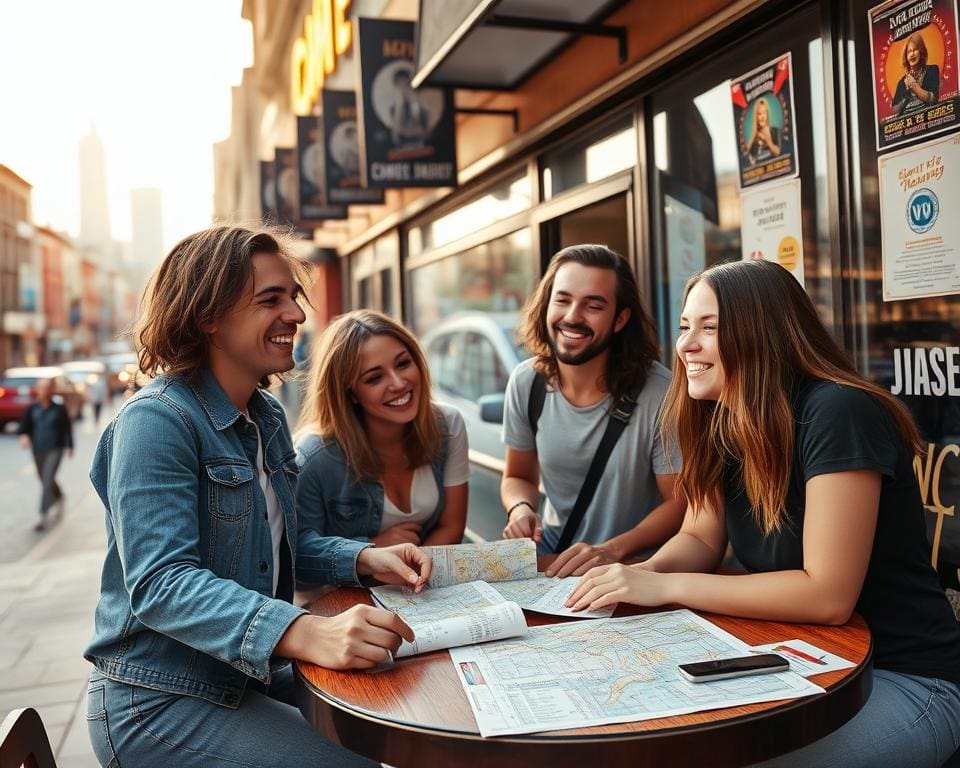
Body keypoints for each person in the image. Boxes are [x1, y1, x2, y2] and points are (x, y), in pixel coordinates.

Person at [567, 259, 960, 767]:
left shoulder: (838, 412)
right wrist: (632, 577)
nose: (685, 345)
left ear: (763, 333)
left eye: (710, 328)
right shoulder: (721, 416)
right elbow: (701, 539)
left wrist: (663, 586)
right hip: (807, 661)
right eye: (686, 327)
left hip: (905, 678)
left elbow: (827, 595)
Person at [84, 225, 432, 768]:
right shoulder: (156, 422)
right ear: (209, 316)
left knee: (410, 697)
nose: (295, 313)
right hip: (156, 700)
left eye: (293, 296)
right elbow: (161, 585)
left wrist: (364, 558)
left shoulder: (265, 414)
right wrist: (304, 630)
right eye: (271, 299)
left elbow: (274, 546)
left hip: (243, 670)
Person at [501, 244, 685, 577]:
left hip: (634, 568)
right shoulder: (527, 382)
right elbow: (517, 477)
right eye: (563, 299)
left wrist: (611, 550)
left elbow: (680, 503)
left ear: (620, 319)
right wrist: (521, 509)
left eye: (593, 305)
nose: (572, 316)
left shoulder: (660, 392)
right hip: (554, 564)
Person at [295, 310, 468, 548]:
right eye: (374, 378)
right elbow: (299, 558)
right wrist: (371, 551)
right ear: (349, 392)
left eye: (403, 364)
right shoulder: (314, 457)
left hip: (424, 581)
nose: (398, 384)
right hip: (345, 586)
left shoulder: (447, 424)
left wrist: (411, 567)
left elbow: (451, 527)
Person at [18, 377, 73, 531]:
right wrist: (24, 437)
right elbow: (24, 427)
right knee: (45, 479)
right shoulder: (32, 409)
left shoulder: (58, 408)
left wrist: (70, 446)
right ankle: (59, 496)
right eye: (42, 387)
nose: (45, 390)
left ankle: (42, 515)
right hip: (38, 449)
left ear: (52, 390)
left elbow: (67, 427)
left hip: (56, 448)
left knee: (47, 478)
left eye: (48, 387)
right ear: (38, 390)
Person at [892, 32, 940, 117]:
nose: (912, 54)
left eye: (915, 50)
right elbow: (894, 110)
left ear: (921, 51)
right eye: (909, 52)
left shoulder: (932, 70)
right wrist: (906, 92)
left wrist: (914, 87)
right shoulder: (902, 82)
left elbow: (933, 99)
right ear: (906, 56)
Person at [747, 97, 781, 164]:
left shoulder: (775, 131)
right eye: (759, 114)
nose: (762, 117)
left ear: (767, 114)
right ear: (756, 117)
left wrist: (767, 139)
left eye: (764, 113)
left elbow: (778, 152)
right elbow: (750, 162)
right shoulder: (754, 139)